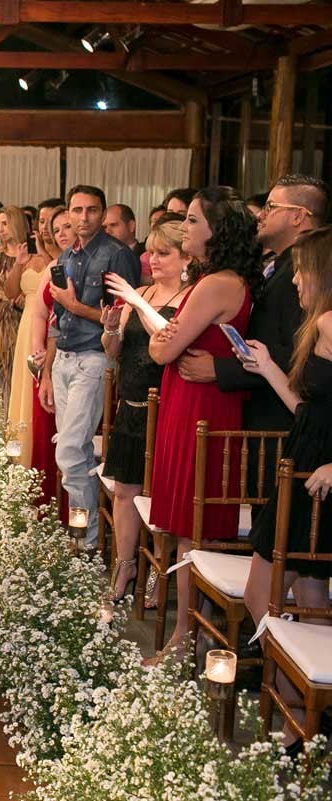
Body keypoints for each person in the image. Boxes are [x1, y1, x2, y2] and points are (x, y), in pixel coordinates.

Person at [144, 187, 258, 657]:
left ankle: (185, 636)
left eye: (192, 220)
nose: (183, 226)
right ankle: (187, 629)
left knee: (196, 522)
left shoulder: (217, 284)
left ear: (218, 230)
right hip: (189, 398)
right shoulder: (212, 279)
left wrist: (162, 342)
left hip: (202, 407)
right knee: (188, 522)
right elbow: (163, 343)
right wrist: (162, 342)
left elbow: (164, 348)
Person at [239, 225, 332, 752]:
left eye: (303, 268)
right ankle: (309, 724)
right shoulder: (316, 325)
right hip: (304, 466)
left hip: (316, 478)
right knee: (311, 592)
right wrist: (270, 369)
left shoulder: (329, 322)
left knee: (260, 593)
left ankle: (298, 712)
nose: (295, 278)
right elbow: (309, 414)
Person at [176, 175, 326, 495]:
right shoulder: (278, 265)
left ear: (298, 216)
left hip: (283, 424)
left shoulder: (307, 278)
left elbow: (303, 355)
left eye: (271, 207)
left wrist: (221, 368)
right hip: (264, 413)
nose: (260, 214)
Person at [45, 184, 141, 547]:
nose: (83, 217)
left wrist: (74, 306)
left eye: (92, 210)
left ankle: (84, 539)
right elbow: (57, 317)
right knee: (75, 454)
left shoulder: (117, 255)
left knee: (69, 451)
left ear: (102, 214)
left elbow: (127, 319)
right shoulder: (67, 255)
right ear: (68, 213)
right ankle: (80, 532)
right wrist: (47, 368)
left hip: (95, 358)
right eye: (77, 210)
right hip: (65, 359)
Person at [100, 214, 189, 602]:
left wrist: (136, 302)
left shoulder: (190, 299)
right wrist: (111, 331)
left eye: (164, 253)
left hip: (168, 406)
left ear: (187, 259)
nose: (152, 259)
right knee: (124, 490)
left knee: (161, 497)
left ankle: (159, 571)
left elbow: (169, 340)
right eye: (151, 251)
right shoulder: (143, 292)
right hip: (132, 402)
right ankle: (126, 565)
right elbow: (116, 352)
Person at [29, 208, 75, 507]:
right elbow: (39, 311)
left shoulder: (87, 267)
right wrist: (37, 353)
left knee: (69, 440)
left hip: (71, 357)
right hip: (46, 356)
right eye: (56, 228)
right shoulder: (54, 266)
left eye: (66, 226)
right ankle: (45, 501)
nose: (60, 233)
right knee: (46, 430)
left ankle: (70, 508)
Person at [4, 207, 52, 464]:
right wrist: (19, 263)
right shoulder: (26, 257)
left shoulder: (57, 260)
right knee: (23, 384)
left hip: (48, 325)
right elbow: (11, 292)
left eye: (48, 223)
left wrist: (46, 256)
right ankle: (19, 451)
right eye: (41, 222)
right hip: (27, 325)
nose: (43, 229)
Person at [0, 205, 32, 415]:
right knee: (4, 373)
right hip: (3, 319)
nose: (1, 229)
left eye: (5, 223)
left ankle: (23, 425)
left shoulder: (34, 255)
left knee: (25, 375)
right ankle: (7, 422)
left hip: (28, 317)